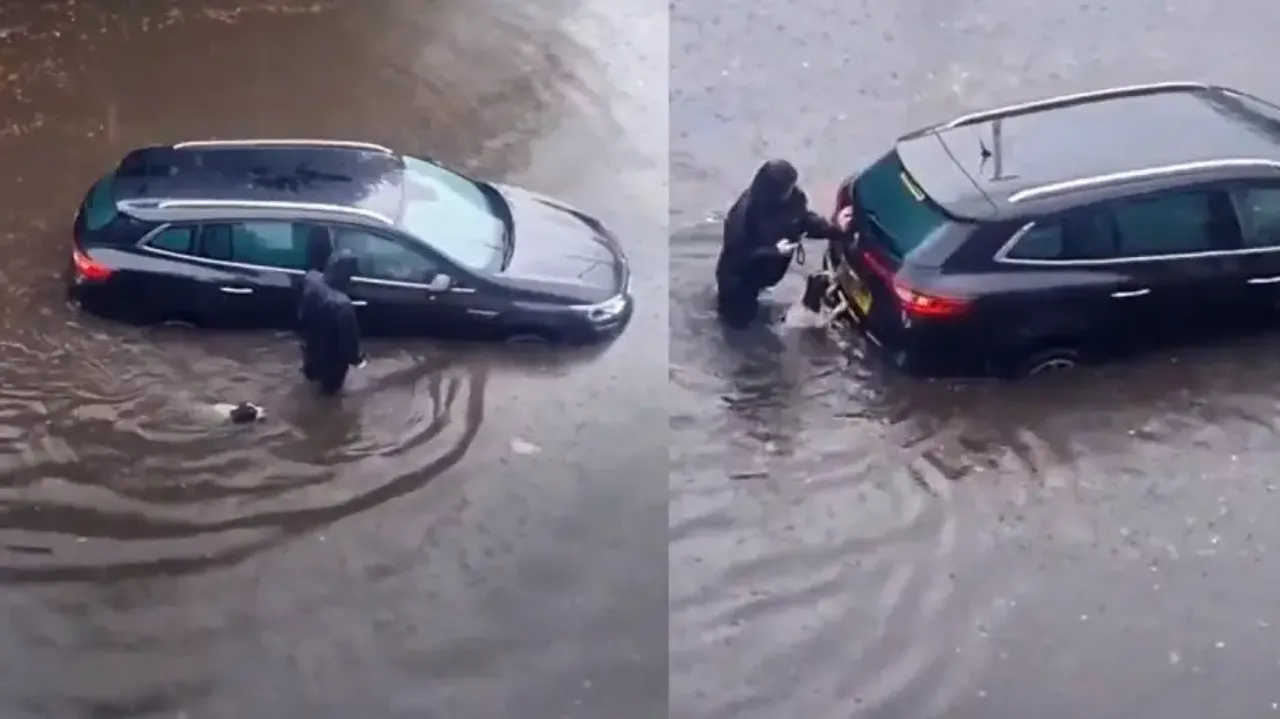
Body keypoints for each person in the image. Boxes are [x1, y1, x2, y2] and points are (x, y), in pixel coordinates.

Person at [715, 159, 850, 328]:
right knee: (738, 327)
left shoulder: (792, 199)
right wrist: (774, 251)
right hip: (738, 281)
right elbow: (738, 254)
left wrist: (837, 229)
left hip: (764, 275)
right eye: (787, 188)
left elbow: (804, 221)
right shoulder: (742, 216)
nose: (791, 191)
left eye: (792, 186)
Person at [298, 250, 365, 395]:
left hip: (310, 349)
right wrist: (358, 359)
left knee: (310, 384)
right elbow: (349, 345)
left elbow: (302, 314)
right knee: (329, 397)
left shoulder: (311, 278)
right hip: (333, 362)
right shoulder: (342, 305)